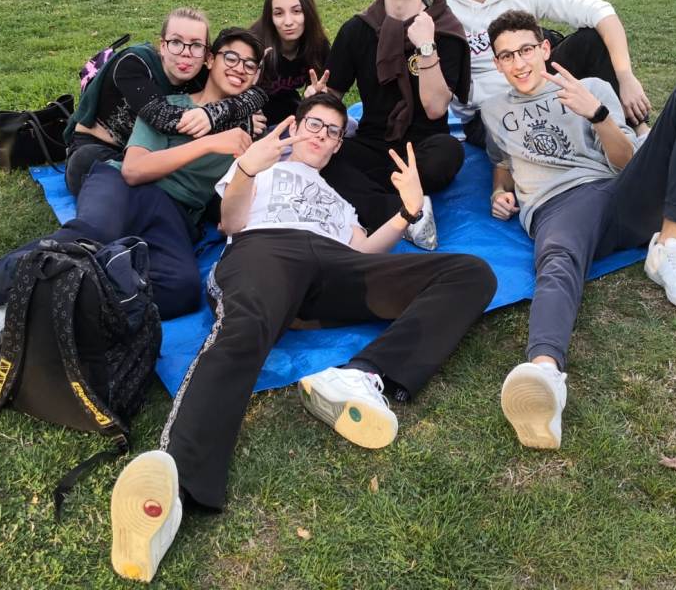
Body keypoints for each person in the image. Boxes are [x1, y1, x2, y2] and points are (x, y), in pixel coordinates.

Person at [108, 93, 497, 583]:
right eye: (315, 124)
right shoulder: (261, 167)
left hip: (335, 268)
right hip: (266, 251)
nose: (322, 135)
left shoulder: (339, 201)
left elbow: (366, 255)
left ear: (337, 147)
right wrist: (246, 169)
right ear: (296, 128)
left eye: (333, 131)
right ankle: (175, 487)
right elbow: (231, 222)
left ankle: (362, 376)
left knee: (472, 273)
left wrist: (406, 213)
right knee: (244, 330)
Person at [0, 28, 265, 385]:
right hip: (121, 184)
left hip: (175, 215)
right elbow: (134, 169)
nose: (239, 68)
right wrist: (209, 143)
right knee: (86, 237)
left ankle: (19, 309)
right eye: (231, 57)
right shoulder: (170, 105)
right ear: (211, 59)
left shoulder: (248, 134)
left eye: (250, 64)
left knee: (181, 289)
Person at [480, 10, 676, 451]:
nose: (519, 63)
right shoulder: (493, 111)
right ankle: (545, 375)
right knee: (558, 263)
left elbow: (626, 161)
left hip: (619, 192)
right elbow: (502, 161)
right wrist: (501, 191)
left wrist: (597, 115)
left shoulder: (591, 87)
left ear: (544, 49)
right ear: (497, 64)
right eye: (507, 56)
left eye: (526, 50)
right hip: (559, 208)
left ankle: (669, 245)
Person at [316, 0, 471, 250]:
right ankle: (402, 209)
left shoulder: (445, 29)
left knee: (449, 155)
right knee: (323, 157)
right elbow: (331, 96)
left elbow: (435, 109)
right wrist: (317, 100)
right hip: (374, 142)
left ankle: (373, 199)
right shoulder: (357, 30)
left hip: (425, 147)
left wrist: (426, 47)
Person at [440, 0, 652, 144]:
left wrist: (626, 77)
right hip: (489, 111)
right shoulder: (441, 10)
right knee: (539, 143)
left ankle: (640, 132)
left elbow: (602, 12)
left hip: (538, 84)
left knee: (591, 40)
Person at [63, 7, 268, 195]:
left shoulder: (196, 71)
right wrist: (234, 120)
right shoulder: (134, 63)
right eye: (176, 42)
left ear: (207, 55)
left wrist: (224, 112)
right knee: (87, 163)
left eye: (196, 45)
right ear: (162, 46)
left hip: (151, 152)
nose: (186, 53)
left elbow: (257, 93)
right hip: (100, 146)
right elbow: (162, 118)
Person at [249, 0, 331, 127]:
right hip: (255, 121)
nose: (288, 22)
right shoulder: (254, 45)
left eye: (296, 11)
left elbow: (321, 95)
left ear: (308, 13)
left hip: (291, 113)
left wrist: (314, 97)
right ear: (270, 17)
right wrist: (245, 117)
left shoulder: (318, 45)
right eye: (278, 13)